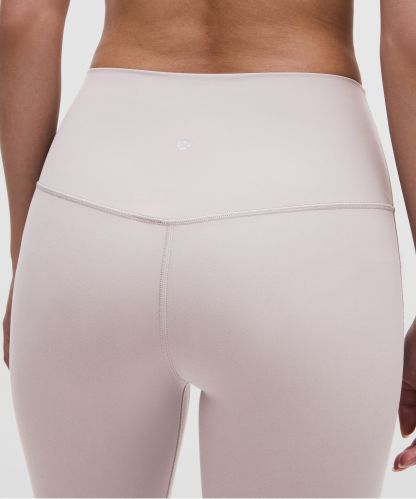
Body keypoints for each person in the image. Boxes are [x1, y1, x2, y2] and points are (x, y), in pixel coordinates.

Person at [0, 0, 415, 497]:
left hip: (92, 195)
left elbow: (22, 18)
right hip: (308, 202)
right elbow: (409, 40)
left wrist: (29, 259)